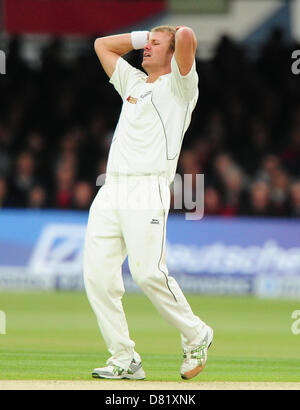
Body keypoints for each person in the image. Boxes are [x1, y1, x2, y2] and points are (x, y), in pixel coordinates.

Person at [83, 25, 213, 381]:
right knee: (97, 277)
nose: (146, 48)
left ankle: (196, 333)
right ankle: (124, 358)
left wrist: (175, 33)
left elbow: (186, 38)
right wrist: (148, 35)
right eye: (146, 43)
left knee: (148, 273)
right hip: (111, 190)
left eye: (156, 45)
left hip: (147, 189)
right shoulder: (134, 83)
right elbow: (102, 46)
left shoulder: (181, 87)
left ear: (172, 54)